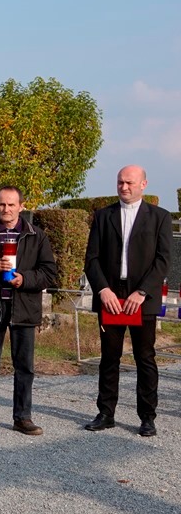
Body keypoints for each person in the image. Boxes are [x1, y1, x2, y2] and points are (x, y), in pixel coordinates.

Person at [83, 165, 172, 437]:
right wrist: (103, 290)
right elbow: (92, 259)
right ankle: (106, 413)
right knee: (109, 357)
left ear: (143, 184)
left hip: (141, 297)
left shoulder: (160, 217)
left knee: (145, 357)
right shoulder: (103, 216)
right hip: (111, 295)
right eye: (120, 182)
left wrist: (143, 291)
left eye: (130, 182)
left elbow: (163, 260)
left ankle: (147, 416)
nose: (124, 187)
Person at [0, 186, 57, 436]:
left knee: (25, 367)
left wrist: (24, 279)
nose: (6, 209)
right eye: (2, 205)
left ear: (21, 207)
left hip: (24, 308)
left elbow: (49, 273)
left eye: (11, 205)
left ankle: (22, 417)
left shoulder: (36, 236)